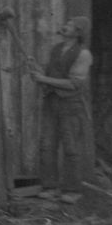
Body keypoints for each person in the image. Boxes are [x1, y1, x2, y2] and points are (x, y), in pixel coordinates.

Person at [28, 16, 94, 203]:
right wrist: (36, 69)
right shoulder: (56, 50)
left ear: (78, 33)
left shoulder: (83, 54)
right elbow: (50, 76)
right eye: (67, 24)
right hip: (52, 103)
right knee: (47, 146)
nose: (66, 26)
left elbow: (74, 84)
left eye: (72, 26)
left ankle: (72, 190)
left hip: (71, 106)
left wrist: (44, 80)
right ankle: (50, 187)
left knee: (71, 149)